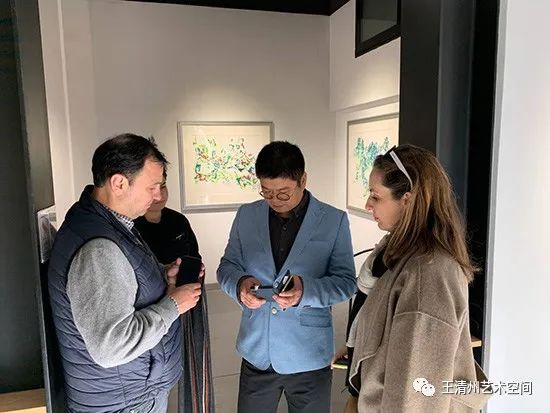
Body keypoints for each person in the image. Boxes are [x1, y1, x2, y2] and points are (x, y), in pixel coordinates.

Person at [48, 134, 202, 413]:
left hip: (127, 392)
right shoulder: (99, 250)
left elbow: (125, 281)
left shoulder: (104, 222)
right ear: (119, 183)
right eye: (152, 187)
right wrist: (173, 305)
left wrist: (163, 275)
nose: (159, 196)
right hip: (126, 403)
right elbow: (112, 347)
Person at [346, 144, 491, 412]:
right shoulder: (397, 254)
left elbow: (417, 395)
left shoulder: (428, 274)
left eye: (375, 196)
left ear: (407, 199)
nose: (368, 204)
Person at [217, 141, 356, 413]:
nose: (275, 200)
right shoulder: (247, 215)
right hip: (257, 352)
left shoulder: (333, 220)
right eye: (267, 192)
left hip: (308, 355)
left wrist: (306, 291)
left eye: (283, 193)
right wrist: (239, 285)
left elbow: (346, 283)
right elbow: (227, 266)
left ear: (303, 180)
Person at [134, 170, 214, 413]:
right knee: (154, 366)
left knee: (189, 359)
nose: (159, 195)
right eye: (152, 188)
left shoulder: (178, 221)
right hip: (151, 307)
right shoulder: (131, 226)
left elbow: (194, 254)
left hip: (186, 299)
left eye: (163, 186)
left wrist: (195, 270)